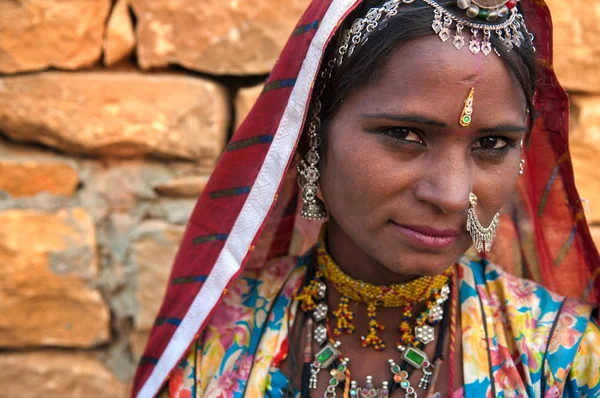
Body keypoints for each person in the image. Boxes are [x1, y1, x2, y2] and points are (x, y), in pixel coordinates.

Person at [131, 0, 600, 397]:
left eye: (492, 144)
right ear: (313, 134)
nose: (453, 196)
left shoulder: (564, 357)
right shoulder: (217, 340)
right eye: (404, 134)